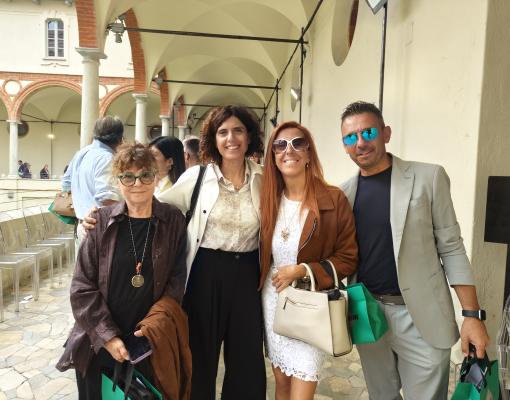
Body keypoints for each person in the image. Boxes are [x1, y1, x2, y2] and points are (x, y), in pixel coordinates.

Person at [339, 101, 490, 399]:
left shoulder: (428, 177)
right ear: (344, 145)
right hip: (369, 314)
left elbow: (452, 248)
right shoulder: (343, 194)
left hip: (422, 316)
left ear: (386, 133)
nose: (360, 142)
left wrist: (472, 315)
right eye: (350, 137)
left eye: (368, 132)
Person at [56, 142, 189, 400]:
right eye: (128, 176)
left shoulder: (173, 220)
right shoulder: (100, 221)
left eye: (145, 175)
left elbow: (176, 279)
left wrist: (153, 327)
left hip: (147, 339)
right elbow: (81, 287)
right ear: (117, 181)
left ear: (157, 177)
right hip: (100, 337)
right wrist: (108, 337)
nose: (137, 183)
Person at [259, 121, 358, 400]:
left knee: (302, 392)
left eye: (298, 143)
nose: (288, 150)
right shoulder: (268, 199)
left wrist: (302, 270)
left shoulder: (333, 199)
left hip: (311, 305)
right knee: (281, 386)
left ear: (309, 153)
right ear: (273, 156)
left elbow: (348, 257)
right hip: (274, 301)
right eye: (280, 145)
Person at [62, 116, 123, 243]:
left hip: (82, 225)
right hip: (100, 226)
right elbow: (107, 198)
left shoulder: (81, 153)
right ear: (119, 138)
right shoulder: (107, 158)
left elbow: (66, 183)